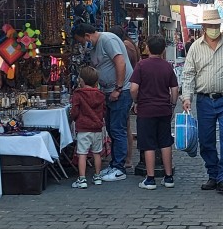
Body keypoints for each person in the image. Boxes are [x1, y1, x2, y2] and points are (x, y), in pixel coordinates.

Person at [181, 8, 223, 193]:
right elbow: (188, 74)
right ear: (204, 27)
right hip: (204, 101)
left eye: (216, 25)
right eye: (210, 25)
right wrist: (187, 97)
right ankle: (213, 173)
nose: (213, 29)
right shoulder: (195, 47)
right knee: (206, 140)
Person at [72, 23, 133, 182]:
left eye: (81, 41)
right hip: (108, 91)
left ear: (87, 36)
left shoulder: (107, 40)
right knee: (113, 129)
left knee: (117, 129)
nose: (81, 45)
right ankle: (115, 164)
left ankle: (119, 168)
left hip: (121, 91)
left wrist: (118, 88)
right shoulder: (94, 47)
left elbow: (120, 62)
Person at [130, 35, 179, 190]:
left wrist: (136, 101)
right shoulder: (167, 66)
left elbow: (133, 88)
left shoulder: (141, 65)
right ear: (163, 49)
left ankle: (150, 179)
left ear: (148, 48)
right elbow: (175, 89)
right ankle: (168, 177)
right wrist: (172, 105)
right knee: (165, 142)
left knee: (148, 143)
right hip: (164, 109)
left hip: (146, 109)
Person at [70, 66, 106, 188]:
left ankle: (82, 179)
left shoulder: (78, 94)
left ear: (81, 80)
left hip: (83, 128)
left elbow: (75, 111)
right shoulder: (100, 95)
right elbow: (103, 110)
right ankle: (97, 176)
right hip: (97, 128)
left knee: (82, 153)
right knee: (97, 153)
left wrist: (73, 118)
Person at [110, 24, 140, 169]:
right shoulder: (129, 44)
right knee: (125, 126)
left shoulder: (124, 46)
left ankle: (126, 159)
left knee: (124, 127)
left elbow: (123, 65)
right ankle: (127, 158)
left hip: (127, 87)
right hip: (130, 85)